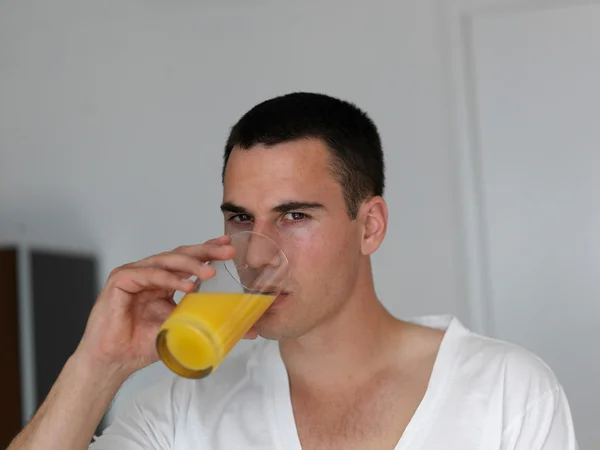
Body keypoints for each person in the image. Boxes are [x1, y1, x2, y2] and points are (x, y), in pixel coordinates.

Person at [9, 92, 578, 450]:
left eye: (295, 216)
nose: (257, 256)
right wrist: (97, 366)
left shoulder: (506, 391)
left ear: (370, 225)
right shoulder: (185, 412)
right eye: (241, 219)